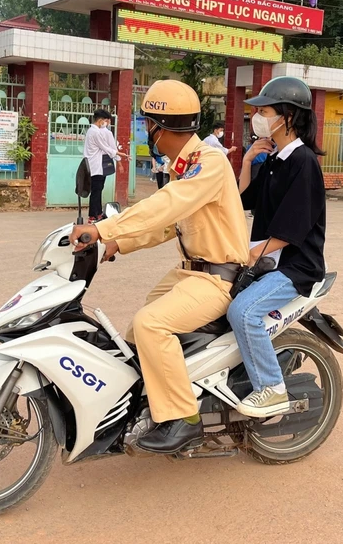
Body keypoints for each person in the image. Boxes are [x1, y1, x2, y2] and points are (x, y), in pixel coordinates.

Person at [70, 81, 249, 454]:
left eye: (147, 123)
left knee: (153, 325)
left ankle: (184, 420)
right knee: (136, 329)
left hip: (217, 278)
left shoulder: (209, 163)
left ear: (159, 127)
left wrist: (102, 227)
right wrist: (120, 242)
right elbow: (171, 224)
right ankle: (148, 404)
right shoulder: (185, 166)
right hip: (190, 272)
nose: (146, 130)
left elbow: (166, 205)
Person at [229, 76, 326, 417]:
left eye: (264, 111)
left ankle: (271, 388)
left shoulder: (304, 162)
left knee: (242, 311)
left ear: (287, 116)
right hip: (268, 259)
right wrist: (245, 162)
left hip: (293, 267)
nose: (258, 118)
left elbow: (293, 227)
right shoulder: (274, 159)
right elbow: (241, 199)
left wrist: (253, 255)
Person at [83, 110, 126, 223]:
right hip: (95, 166)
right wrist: (118, 154)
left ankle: (98, 213)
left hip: (95, 165)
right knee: (96, 191)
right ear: (101, 120)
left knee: (98, 190)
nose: (106, 123)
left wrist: (116, 154)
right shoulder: (95, 132)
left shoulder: (92, 131)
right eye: (106, 120)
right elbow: (105, 147)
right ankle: (93, 215)